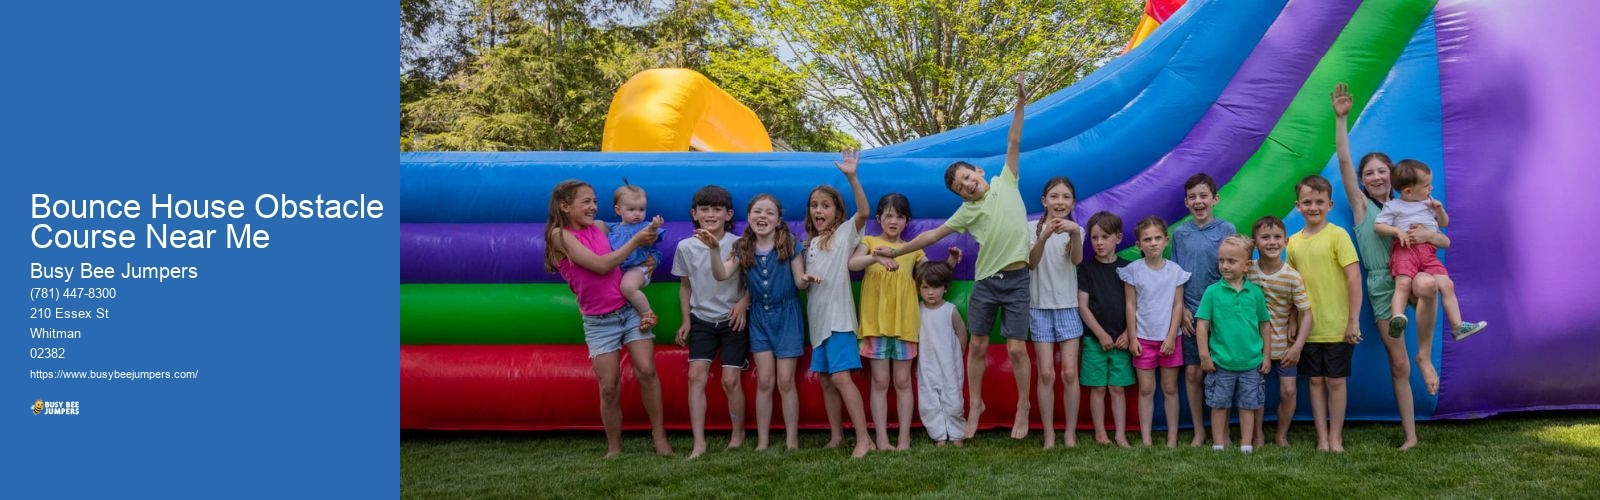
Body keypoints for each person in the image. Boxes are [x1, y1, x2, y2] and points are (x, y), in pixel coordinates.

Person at [874, 76, 1034, 440]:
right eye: (960, 187)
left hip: (1018, 280)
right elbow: (932, 236)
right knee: (977, 345)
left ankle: (1023, 406)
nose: (967, 185)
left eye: (967, 177)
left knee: (1015, 348)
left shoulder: (1006, 180)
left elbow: (1014, 140)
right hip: (987, 282)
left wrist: (1021, 103)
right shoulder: (965, 212)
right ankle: (974, 403)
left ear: (979, 172)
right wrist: (897, 250)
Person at [1332, 82, 1432, 447]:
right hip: (1380, 285)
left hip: (1412, 275)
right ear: (1362, 181)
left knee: (1428, 287)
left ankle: (1427, 356)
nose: (1376, 177)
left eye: (1381, 171)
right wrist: (1341, 120)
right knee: (1398, 363)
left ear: (1393, 174)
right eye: (1369, 173)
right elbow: (1344, 161)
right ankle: (1410, 435)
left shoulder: (1409, 204)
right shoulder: (1362, 207)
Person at [543, 179, 672, 458]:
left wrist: (648, 256)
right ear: (565, 206)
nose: (593, 207)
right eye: (586, 201)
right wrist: (636, 242)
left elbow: (630, 238)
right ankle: (614, 446)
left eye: (594, 201)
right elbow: (601, 266)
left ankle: (659, 436)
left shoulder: (601, 227)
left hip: (628, 309)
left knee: (647, 371)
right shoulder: (559, 236)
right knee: (610, 385)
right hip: (599, 321)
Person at [850, 193, 960, 451]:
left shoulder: (913, 250)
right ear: (878, 218)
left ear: (906, 221)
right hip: (875, 325)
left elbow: (932, 275)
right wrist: (876, 257)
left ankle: (903, 438)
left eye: (899, 216)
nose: (893, 221)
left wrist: (951, 263)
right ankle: (882, 439)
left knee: (902, 382)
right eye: (888, 215)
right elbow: (853, 263)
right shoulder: (869, 241)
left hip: (905, 326)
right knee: (880, 382)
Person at [705, 194, 805, 451]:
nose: (763, 216)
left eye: (770, 213)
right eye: (757, 212)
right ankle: (762, 440)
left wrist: (809, 278)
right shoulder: (742, 247)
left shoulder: (790, 244)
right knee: (765, 381)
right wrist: (715, 250)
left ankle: (792, 439)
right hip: (759, 317)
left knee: (785, 381)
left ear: (779, 220)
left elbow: (799, 282)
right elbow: (721, 274)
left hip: (787, 316)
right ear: (748, 217)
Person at [1375, 160, 1488, 364]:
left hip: (1428, 252)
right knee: (1403, 284)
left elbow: (1443, 225)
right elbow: (1379, 226)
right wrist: (1397, 231)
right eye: (1427, 185)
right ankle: (1397, 317)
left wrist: (1439, 210)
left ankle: (1457, 325)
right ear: (1408, 191)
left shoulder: (1428, 204)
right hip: (1405, 249)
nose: (1431, 188)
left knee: (1447, 284)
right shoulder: (1393, 206)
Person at [803, 149, 875, 458]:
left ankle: (864, 439)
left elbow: (864, 212)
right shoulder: (811, 245)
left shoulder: (845, 233)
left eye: (826, 205)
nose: (819, 210)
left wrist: (852, 177)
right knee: (827, 381)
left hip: (840, 321)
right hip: (818, 323)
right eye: (814, 206)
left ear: (836, 212)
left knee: (843, 378)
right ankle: (836, 436)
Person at [1286, 175, 1362, 453]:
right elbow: (1294, 286)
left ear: (1329, 204)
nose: (1313, 207)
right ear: (1298, 206)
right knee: (1315, 381)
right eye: (1307, 202)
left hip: (1338, 325)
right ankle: (1322, 437)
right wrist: (1293, 318)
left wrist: (1353, 320)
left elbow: (1354, 279)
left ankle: (1336, 437)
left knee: (1335, 381)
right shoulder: (1292, 243)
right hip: (1310, 328)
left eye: (1319, 202)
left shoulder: (1337, 235)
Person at [676, 185, 750, 459]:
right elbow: (685, 287)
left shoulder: (739, 243)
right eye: (704, 210)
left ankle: (737, 433)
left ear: (728, 214)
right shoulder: (685, 247)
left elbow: (750, 279)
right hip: (702, 319)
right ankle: (699, 442)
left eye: (716, 209)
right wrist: (686, 320)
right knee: (695, 376)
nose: (710, 214)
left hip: (732, 319)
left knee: (731, 380)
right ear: (694, 214)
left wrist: (744, 301)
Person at [1172, 172, 1236, 447]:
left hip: (1220, 314)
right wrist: (1182, 310)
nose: (1198, 201)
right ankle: (1199, 430)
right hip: (1190, 314)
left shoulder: (1226, 230)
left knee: (1223, 372)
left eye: (1203, 196)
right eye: (1192, 197)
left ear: (1214, 198)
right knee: (1193, 372)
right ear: (1186, 202)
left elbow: (1233, 271)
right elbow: (1176, 276)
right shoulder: (1180, 234)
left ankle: (1223, 431)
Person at [1195, 235, 1272, 454]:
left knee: (1248, 405)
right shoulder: (1212, 292)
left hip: (1251, 363)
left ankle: (1246, 444)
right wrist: (1204, 356)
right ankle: (1219, 443)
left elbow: (1265, 325)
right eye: (1221, 260)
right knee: (1219, 405)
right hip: (1221, 363)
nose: (1224, 266)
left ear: (1247, 266)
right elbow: (1202, 326)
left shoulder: (1255, 293)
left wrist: (1266, 355)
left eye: (1231, 261)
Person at [1119, 216, 1191, 448]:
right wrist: (1132, 337)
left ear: (1166, 241)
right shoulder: (1132, 271)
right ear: (1139, 244)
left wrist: (1171, 336)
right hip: (1143, 339)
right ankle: (1146, 438)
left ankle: (1172, 438)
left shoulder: (1175, 271)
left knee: (1170, 388)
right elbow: (1130, 304)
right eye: (1147, 239)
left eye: (1157, 238)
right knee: (1146, 388)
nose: (1153, 243)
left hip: (1170, 339)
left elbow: (1177, 305)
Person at [1026, 176, 1085, 449]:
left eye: (1065, 197)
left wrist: (1073, 232)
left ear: (1072, 202)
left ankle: (1070, 433)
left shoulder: (1077, 230)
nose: (1059, 202)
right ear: (1044, 201)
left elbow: (1076, 260)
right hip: (1039, 308)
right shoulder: (1029, 229)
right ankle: (1049, 434)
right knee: (1046, 373)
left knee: (1070, 373)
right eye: (1054, 196)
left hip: (1068, 308)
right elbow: (1031, 263)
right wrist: (1044, 235)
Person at [1246, 216, 1312, 448]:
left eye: (1276, 237)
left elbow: (1307, 312)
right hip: (1253, 346)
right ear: (1255, 243)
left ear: (1285, 241)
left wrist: (1297, 347)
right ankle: (1257, 434)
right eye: (1265, 237)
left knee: (1289, 390)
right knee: (1254, 393)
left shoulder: (1292, 276)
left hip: (1284, 345)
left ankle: (1281, 434)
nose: (1271, 242)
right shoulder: (1247, 271)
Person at [1077, 211, 1135, 448]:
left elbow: (1137, 303)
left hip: (1122, 340)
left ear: (1118, 238)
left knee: (1117, 388)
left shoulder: (1129, 268)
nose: (1099, 243)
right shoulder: (1086, 270)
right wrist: (1100, 333)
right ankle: (1101, 433)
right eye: (1094, 238)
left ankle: (1120, 434)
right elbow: (1082, 305)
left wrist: (1128, 333)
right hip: (1094, 340)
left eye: (1105, 237)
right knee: (1098, 388)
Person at [913, 261, 969, 447]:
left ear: (945, 288)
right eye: (925, 287)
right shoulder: (918, 310)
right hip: (927, 365)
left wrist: (957, 356)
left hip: (949, 365)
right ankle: (939, 435)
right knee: (928, 401)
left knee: (953, 400)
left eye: (935, 287)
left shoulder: (950, 310)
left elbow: (962, 333)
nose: (930, 292)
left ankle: (956, 434)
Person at [607, 182, 666, 332]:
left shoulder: (643, 227)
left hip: (639, 268)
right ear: (618, 210)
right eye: (631, 209)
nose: (637, 213)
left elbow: (651, 235)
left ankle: (647, 313)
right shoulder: (612, 229)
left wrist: (654, 226)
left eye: (641, 209)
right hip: (621, 269)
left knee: (627, 286)